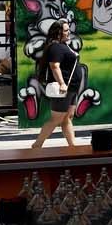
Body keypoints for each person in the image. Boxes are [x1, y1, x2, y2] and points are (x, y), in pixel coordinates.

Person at [27, 22, 82, 151]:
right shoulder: (55, 47)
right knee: (57, 118)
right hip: (64, 88)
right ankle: (37, 145)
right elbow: (54, 66)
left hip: (72, 87)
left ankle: (72, 146)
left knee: (67, 117)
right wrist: (62, 84)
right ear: (58, 33)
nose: (69, 32)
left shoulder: (63, 46)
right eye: (66, 30)